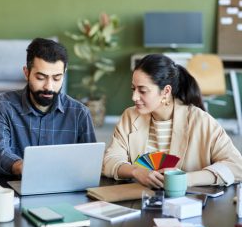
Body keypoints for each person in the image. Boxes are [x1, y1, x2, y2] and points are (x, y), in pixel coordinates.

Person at [102, 54, 242, 188]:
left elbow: (236, 166)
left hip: (188, 203)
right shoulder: (130, 116)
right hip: (140, 201)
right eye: (133, 89)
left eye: (142, 91)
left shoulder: (201, 121)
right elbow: (109, 161)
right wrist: (135, 171)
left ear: (166, 91)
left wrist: (187, 179)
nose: (134, 97)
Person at [0, 38, 97, 175]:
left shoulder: (80, 113)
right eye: (41, 78)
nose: (49, 87)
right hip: (15, 187)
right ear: (27, 73)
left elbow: (90, 162)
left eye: (56, 78)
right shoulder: (2, 107)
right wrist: (21, 166)